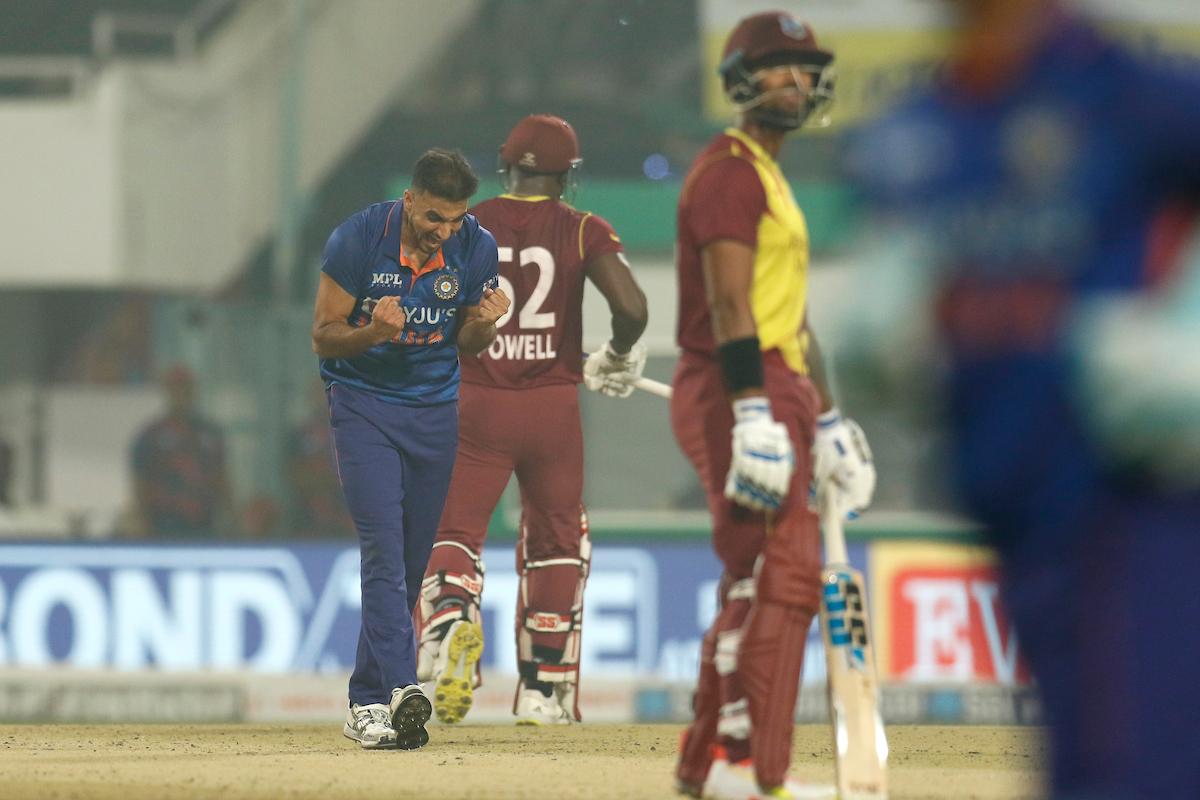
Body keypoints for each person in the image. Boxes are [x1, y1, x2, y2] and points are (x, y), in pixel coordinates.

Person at [847, 2, 1200, 797]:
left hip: (1129, 508)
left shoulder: (1130, 96)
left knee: (1132, 773)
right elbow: (903, 304)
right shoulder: (909, 137)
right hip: (1011, 512)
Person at [670, 12, 877, 800]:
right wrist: (752, 410)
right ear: (738, 82)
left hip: (772, 380)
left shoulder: (766, 171)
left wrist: (826, 418)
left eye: (803, 68)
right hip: (735, 382)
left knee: (758, 576)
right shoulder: (728, 171)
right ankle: (750, 768)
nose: (793, 79)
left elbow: (791, 314)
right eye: (775, 67)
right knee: (778, 573)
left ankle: (715, 765)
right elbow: (729, 306)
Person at [413, 114, 649, 726]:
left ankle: (446, 627)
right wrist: (618, 356)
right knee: (556, 541)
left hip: (475, 401)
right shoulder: (581, 229)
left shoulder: (470, 223)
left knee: (453, 528)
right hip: (552, 407)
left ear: (505, 163)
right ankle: (544, 692)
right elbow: (631, 305)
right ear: (568, 175)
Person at [312, 148, 509, 750]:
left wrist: (488, 322)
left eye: (455, 220)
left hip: (433, 412)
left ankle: (364, 706)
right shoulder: (358, 240)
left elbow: (468, 341)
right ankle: (402, 688)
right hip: (363, 406)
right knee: (382, 550)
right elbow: (323, 337)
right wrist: (374, 331)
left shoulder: (477, 246)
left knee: (408, 561)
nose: (444, 233)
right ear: (410, 200)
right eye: (433, 220)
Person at [129, 364, 230, 539]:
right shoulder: (152, 436)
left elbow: (221, 479)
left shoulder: (210, 433)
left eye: (186, 388)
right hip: (165, 524)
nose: (181, 394)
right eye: (176, 388)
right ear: (168, 392)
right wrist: (143, 525)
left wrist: (231, 517)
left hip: (203, 524)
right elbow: (140, 484)